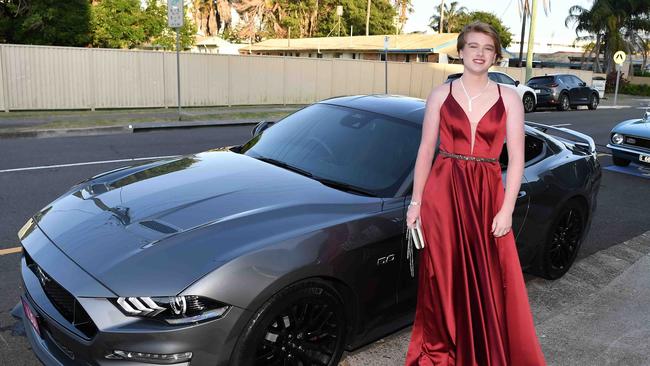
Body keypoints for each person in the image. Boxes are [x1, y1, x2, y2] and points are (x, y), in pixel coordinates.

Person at [404, 21, 547, 365]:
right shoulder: (441, 94)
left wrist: (506, 209)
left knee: (486, 276)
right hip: (443, 193)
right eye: (473, 46)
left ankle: (480, 351)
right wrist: (416, 202)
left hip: (486, 195)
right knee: (443, 275)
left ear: (495, 56)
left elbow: (515, 160)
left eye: (487, 48)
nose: (480, 53)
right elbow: (426, 150)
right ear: (461, 51)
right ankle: (442, 350)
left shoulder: (509, 98)